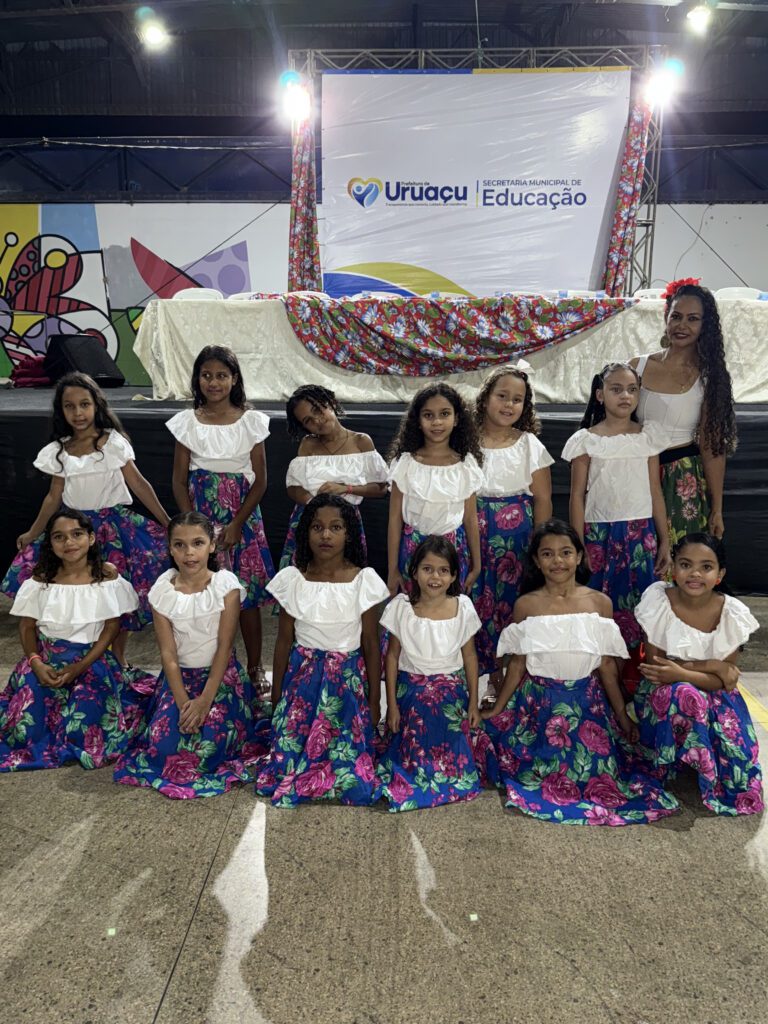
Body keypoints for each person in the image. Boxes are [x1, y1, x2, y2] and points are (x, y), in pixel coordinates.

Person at [480, 520, 678, 826]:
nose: (557, 561)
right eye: (547, 554)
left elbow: (606, 666)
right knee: (525, 764)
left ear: (579, 556)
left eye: (565, 552)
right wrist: (498, 708)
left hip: (586, 706)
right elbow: (518, 664)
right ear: (536, 561)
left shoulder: (599, 603)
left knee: (596, 774)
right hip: (537, 706)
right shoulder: (526, 605)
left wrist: (622, 716)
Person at [1, 371, 169, 663]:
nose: (78, 413)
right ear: (61, 411)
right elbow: (53, 497)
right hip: (74, 530)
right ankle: (77, 652)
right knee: (78, 590)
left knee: (112, 594)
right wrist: (33, 532)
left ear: (96, 405)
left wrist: (167, 523)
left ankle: (117, 660)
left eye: (84, 404)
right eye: (70, 406)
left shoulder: (112, 443)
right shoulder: (59, 451)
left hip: (112, 531)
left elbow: (139, 484)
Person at [114, 512, 269, 799]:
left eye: (198, 543)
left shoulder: (226, 586)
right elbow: (168, 654)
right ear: (170, 549)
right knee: (164, 747)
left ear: (212, 545)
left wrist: (205, 701)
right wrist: (184, 703)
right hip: (179, 679)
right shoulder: (162, 591)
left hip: (219, 677)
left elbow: (224, 646)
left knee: (208, 749)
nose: (189, 553)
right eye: (180, 545)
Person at [255, 495, 389, 807]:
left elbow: (371, 644)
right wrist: (278, 696)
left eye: (335, 527)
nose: (325, 535)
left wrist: (374, 700)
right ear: (306, 533)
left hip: (346, 686)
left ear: (349, 534)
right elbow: (284, 641)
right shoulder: (293, 578)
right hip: (303, 684)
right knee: (286, 761)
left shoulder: (363, 580)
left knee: (351, 771)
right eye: (317, 527)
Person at [0, 509, 154, 771]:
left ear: (91, 538)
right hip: (45, 660)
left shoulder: (106, 576)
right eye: (59, 537)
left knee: (87, 726)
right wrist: (36, 662)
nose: (69, 542)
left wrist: (80, 667)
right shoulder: (40, 578)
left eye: (77, 534)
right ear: (50, 543)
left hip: (91, 661)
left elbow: (111, 627)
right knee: (25, 730)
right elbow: (27, 626)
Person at [167, 345, 274, 690]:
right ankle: (213, 668)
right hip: (201, 516)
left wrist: (237, 523)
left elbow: (261, 480)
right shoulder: (187, 422)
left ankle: (255, 667)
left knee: (246, 597)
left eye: (222, 375)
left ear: (235, 379)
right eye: (207, 375)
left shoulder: (251, 421)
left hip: (240, 519)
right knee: (206, 592)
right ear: (197, 379)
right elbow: (179, 481)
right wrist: (193, 527)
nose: (214, 382)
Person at [634, 533, 762, 815]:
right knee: (684, 693)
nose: (695, 573)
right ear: (673, 569)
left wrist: (683, 670)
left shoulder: (731, 612)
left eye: (706, 567)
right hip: (665, 693)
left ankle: (703, 761)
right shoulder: (658, 600)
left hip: (716, 694)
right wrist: (713, 665)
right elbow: (658, 669)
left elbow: (724, 680)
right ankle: (672, 762)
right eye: (685, 564)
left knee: (738, 774)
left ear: (720, 574)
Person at [562, 362, 670, 653]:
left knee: (643, 602)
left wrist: (665, 540)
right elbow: (576, 496)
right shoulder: (586, 440)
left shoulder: (647, 437)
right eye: (617, 389)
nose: (625, 396)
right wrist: (578, 545)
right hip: (599, 535)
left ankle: (639, 668)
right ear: (600, 395)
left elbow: (655, 491)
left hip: (641, 534)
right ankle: (602, 667)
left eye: (632, 389)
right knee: (599, 603)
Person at [377, 536, 482, 811]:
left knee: (444, 707)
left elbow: (470, 656)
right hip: (411, 688)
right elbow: (392, 656)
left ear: (454, 575)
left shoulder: (463, 606)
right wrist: (391, 706)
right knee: (420, 704)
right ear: (414, 572)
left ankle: (448, 769)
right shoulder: (401, 606)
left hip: (451, 688)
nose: (435, 577)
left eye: (443, 570)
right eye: (427, 569)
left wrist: (473, 702)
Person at [631, 279, 737, 546]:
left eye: (693, 319)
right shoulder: (636, 367)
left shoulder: (710, 376)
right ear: (666, 317)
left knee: (681, 557)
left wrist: (717, 508)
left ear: (704, 326)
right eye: (676, 316)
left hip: (682, 480)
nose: (682, 325)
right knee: (638, 554)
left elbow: (713, 445)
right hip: (635, 472)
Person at [472, 363, 553, 685]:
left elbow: (543, 499)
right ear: (485, 398)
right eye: (502, 396)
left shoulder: (529, 444)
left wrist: (539, 547)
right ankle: (478, 676)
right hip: (472, 532)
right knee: (475, 602)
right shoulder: (465, 442)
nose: (509, 405)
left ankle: (506, 678)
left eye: (517, 400)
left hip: (516, 539)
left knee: (510, 604)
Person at [387, 383, 483, 596]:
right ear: (418, 421)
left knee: (448, 608)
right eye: (428, 415)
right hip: (413, 550)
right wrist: (392, 569)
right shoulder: (405, 464)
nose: (437, 422)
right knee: (413, 607)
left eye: (445, 414)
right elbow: (394, 519)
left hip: (453, 551)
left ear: (456, 419)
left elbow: (470, 518)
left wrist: (477, 565)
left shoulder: (466, 465)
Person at [278, 384, 388, 570]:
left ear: (331, 403)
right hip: (310, 519)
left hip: (344, 522)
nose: (317, 420)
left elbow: (381, 488)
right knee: (304, 573)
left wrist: (346, 488)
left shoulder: (361, 441)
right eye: (308, 420)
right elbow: (293, 487)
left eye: (318, 410)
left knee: (345, 574)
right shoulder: (308, 444)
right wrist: (313, 503)